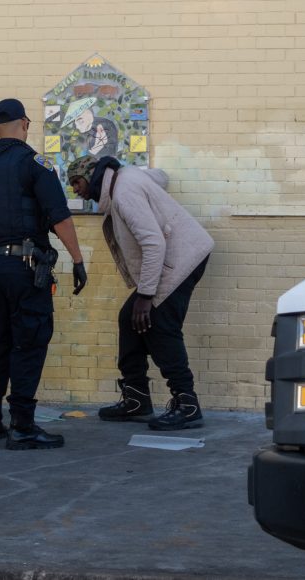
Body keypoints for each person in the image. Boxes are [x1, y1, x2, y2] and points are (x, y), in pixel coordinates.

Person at [0, 98, 88, 450]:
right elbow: (59, 216)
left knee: (0, 346)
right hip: (27, 267)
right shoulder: (35, 163)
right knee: (30, 342)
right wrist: (78, 260)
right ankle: (22, 426)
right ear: (25, 124)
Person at [67, 155, 214, 430]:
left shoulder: (124, 192)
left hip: (181, 261)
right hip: (181, 258)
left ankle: (188, 405)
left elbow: (153, 243)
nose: (75, 189)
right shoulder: (127, 178)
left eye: (76, 182)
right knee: (129, 319)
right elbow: (162, 177)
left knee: (160, 326)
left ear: (92, 175)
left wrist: (145, 297)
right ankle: (137, 400)